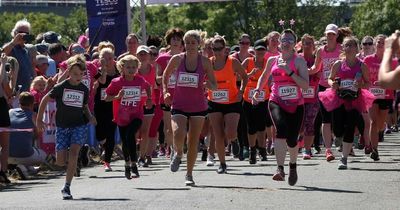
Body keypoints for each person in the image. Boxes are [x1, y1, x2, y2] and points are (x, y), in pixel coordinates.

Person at [36, 54, 97, 199]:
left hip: (78, 125)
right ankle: (73, 163)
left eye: (81, 74)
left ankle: (67, 187)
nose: (78, 77)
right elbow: (44, 100)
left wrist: (90, 116)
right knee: (60, 161)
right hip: (62, 126)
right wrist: (39, 119)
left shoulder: (84, 89)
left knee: (74, 152)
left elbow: (84, 106)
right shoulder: (61, 87)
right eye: (75, 74)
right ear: (68, 72)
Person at [254, 29, 309, 186]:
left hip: (296, 105)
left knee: (292, 139)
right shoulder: (272, 60)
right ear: (279, 42)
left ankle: (292, 165)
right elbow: (264, 77)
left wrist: (290, 72)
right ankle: (279, 169)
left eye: (290, 41)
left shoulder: (299, 62)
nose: (286, 43)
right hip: (276, 100)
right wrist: (258, 90)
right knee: (281, 129)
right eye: (283, 40)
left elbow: (305, 85)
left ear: (294, 45)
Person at [162, 30, 217, 185]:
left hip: (198, 106)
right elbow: (165, 77)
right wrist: (166, 92)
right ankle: (178, 153)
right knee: (178, 133)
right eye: (187, 43)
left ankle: (189, 174)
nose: (190, 46)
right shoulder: (177, 59)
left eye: (193, 42)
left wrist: (208, 85)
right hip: (179, 104)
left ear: (198, 44)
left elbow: (214, 84)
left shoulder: (205, 62)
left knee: (193, 141)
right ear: (183, 44)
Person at [318, 36, 374, 169]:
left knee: (350, 127)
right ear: (343, 48)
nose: (348, 48)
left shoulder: (362, 65)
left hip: (355, 100)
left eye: (351, 45)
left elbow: (368, 83)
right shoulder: (338, 64)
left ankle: (344, 158)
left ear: (356, 48)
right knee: (337, 129)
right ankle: (338, 137)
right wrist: (334, 84)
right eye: (346, 45)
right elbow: (330, 79)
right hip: (339, 99)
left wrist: (360, 84)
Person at [105, 55, 152, 179]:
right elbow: (106, 97)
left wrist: (149, 99)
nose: (131, 70)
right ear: (122, 68)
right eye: (128, 67)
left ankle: (134, 165)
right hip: (121, 116)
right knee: (125, 141)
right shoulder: (116, 82)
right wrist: (117, 97)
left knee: (130, 135)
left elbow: (148, 87)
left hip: (136, 114)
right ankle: (127, 164)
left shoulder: (140, 80)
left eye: (134, 67)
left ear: (137, 68)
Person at [207, 35, 248, 173]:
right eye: (214, 48)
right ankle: (222, 164)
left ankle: (234, 140)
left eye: (219, 48)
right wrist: (205, 85)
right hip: (214, 101)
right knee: (218, 134)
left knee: (230, 132)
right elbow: (202, 79)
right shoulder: (208, 63)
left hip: (232, 101)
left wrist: (241, 91)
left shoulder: (233, 62)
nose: (217, 51)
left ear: (225, 49)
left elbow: (244, 76)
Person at [309, 24, 342, 161]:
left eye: (333, 34)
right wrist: (302, 71)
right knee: (326, 119)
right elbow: (316, 68)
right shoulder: (320, 51)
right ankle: (328, 150)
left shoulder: (342, 49)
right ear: (325, 34)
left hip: (340, 87)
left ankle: (343, 141)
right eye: (328, 34)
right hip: (324, 87)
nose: (330, 36)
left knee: (339, 119)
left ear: (337, 35)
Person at [365, 34, 398, 160]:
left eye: (383, 42)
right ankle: (375, 150)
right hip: (371, 95)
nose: (380, 44)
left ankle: (380, 131)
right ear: (375, 44)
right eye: (378, 42)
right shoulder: (367, 60)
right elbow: (363, 74)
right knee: (373, 122)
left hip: (386, 95)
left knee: (380, 124)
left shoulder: (392, 61)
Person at [155, 28, 185, 158]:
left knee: (181, 126)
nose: (176, 41)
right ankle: (172, 149)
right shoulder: (162, 58)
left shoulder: (186, 57)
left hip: (183, 96)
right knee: (168, 127)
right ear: (169, 41)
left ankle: (179, 147)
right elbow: (157, 79)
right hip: (167, 96)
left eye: (178, 39)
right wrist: (168, 75)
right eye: (173, 39)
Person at [242, 39, 270, 164]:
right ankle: (252, 150)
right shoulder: (248, 61)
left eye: (262, 50)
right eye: (258, 50)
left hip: (263, 97)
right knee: (251, 126)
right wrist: (248, 74)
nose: (260, 52)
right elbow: (237, 75)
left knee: (261, 126)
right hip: (248, 98)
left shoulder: (268, 63)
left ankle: (262, 150)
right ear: (254, 50)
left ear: (265, 51)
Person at [8, 92, 46, 179]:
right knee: (43, 154)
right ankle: (23, 166)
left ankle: (25, 169)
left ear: (19, 102)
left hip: (7, 155)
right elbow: (37, 135)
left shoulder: (10, 112)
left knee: (25, 145)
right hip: (26, 155)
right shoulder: (33, 116)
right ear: (33, 104)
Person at [94, 47, 119, 172]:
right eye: (105, 58)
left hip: (113, 107)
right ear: (100, 59)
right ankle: (104, 145)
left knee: (111, 135)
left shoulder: (118, 72)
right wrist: (102, 69)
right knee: (100, 134)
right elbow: (98, 82)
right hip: (99, 107)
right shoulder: (98, 72)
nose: (108, 61)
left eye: (110, 58)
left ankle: (107, 162)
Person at [298, 34, 320, 160]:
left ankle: (307, 150)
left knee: (309, 123)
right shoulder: (297, 58)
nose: (307, 46)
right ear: (301, 45)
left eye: (309, 43)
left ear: (313, 45)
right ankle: (299, 140)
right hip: (297, 97)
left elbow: (317, 70)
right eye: (305, 43)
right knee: (299, 125)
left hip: (312, 97)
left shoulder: (317, 59)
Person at [136, 45, 156, 166]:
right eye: (140, 54)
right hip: (135, 104)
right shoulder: (133, 69)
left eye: (145, 54)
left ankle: (142, 157)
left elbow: (157, 82)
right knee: (135, 131)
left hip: (149, 103)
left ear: (149, 56)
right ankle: (136, 154)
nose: (143, 56)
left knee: (145, 131)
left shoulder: (153, 68)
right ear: (136, 56)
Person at [2, 19, 34, 92]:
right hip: (12, 92)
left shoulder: (26, 50)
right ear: (14, 33)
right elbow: (2, 53)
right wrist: (14, 42)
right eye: (20, 32)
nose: (23, 35)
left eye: (26, 33)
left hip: (25, 92)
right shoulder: (11, 47)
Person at [0, 53, 11, 184]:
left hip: (2, 104)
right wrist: (2, 64)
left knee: (5, 144)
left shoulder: (3, 71)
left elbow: (9, 92)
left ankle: (3, 171)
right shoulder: (2, 68)